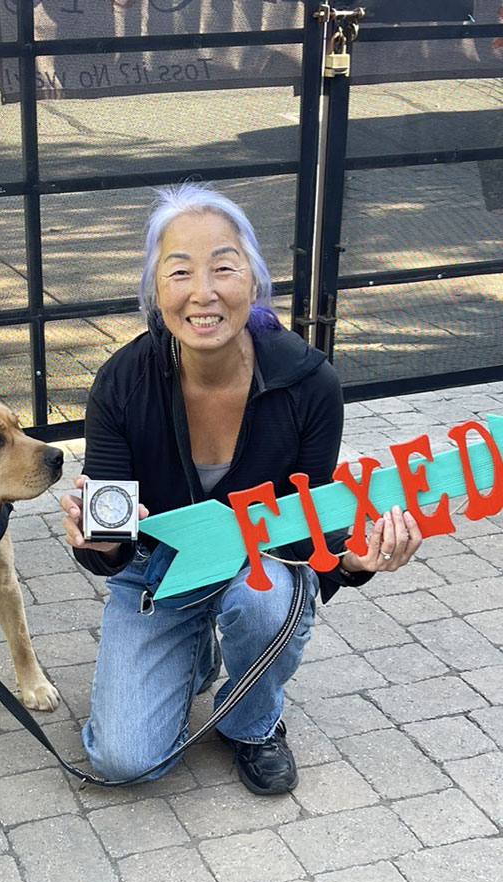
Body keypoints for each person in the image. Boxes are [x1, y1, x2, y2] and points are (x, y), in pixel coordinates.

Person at [60, 182, 422, 794]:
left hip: (261, 560)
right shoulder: (121, 382)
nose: (203, 292)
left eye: (223, 267)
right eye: (179, 272)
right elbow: (111, 536)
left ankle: (252, 722)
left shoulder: (309, 384)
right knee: (123, 761)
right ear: (156, 291)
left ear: (252, 281)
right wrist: (99, 546)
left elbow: (313, 523)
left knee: (262, 598)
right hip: (156, 571)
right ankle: (193, 653)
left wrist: (353, 559)